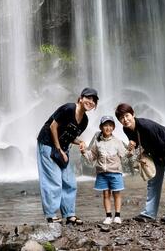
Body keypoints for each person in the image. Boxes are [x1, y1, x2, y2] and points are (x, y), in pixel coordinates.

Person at [114, 102, 165, 224]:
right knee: (153, 180)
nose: (125, 120)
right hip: (156, 151)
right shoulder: (126, 129)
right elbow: (137, 141)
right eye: (121, 118)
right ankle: (149, 213)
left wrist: (159, 159)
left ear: (133, 114)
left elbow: (161, 143)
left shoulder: (146, 126)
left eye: (127, 116)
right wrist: (132, 146)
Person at [37, 87, 98, 224]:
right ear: (81, 98)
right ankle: (51, 215)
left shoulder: (84, 121)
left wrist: (80, 142)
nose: (91, 101)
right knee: (54, 180)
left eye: (94, 100)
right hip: (48, 144)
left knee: (70, 182)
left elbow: (70, 136)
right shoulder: (68, 108)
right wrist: (58, 150)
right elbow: (53, 127)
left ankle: (70, 215)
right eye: (88, 98)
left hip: (63, 148)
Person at [82, 114, 126, 224]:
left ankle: (117, 215)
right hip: (102, 173)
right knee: (106, 194)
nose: (108, 128)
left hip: (115, 173)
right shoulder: (98, 142)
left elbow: (124, 155)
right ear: (101, 127)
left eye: (111, 125)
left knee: (117, 193)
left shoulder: (117, 141)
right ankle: (108, 216)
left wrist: (130, 149)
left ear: (113, 128)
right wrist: (83, 152)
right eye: (105, 125)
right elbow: (92, 156)